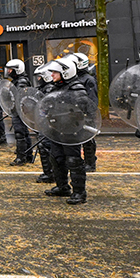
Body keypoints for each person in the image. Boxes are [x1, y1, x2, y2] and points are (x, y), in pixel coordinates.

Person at [43, 57, 92, 205]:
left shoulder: (77, 89)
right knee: (56, 158)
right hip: (56, 130)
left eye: (55, 73)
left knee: (73, 160)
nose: (52, 75)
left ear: (65, 73)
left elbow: (83, 111)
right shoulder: (54, 87)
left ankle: (79, 192)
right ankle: (62, 186)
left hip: (71, 132)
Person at [71, 53, 98, 172]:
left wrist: (89, 115)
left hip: (85, 114)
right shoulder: (76, 78)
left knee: (88, 140)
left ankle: (90, 162)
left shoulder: (88, 79)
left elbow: (91, 99)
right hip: (76, 113)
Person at [4, 59, 33, 165]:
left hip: (19, 110)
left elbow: (18, 96)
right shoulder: (19, 80)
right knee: (24, 133)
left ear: (17, 70)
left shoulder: (21, 81)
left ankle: (21, 158)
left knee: (20, 133)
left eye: (11, 70)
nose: (9, 72)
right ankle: (28, 155)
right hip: (20, 110)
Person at [33, 63, 56, 184]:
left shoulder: (49, 89)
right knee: (43, 147)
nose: (38, 80)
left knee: (46, 147)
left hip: (47, 123)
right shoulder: (44, 89)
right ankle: (48, 172)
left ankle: (50, 173)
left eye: (39, 77)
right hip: (43, 122)